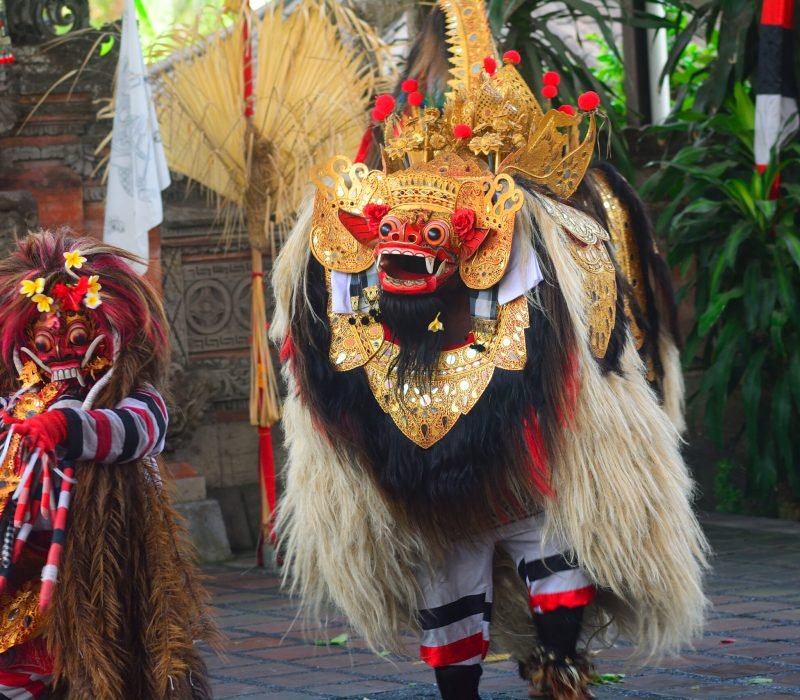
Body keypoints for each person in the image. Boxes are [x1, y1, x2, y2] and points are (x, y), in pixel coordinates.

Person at [272, 1, 708, 697]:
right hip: (426, 477)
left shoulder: (527, 264)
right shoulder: (352, 270)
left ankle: (559, 665)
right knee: (449, 561)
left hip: (529, 463)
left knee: (545, 530)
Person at [0, 230, 216, 699]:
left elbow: (140, 429)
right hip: (20, 557)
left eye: (77, 336)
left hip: (101, 559)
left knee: (105, 664)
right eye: (45, 338)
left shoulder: (132, 397)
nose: (60, 349)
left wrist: (67, 429)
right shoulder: (18, 400)